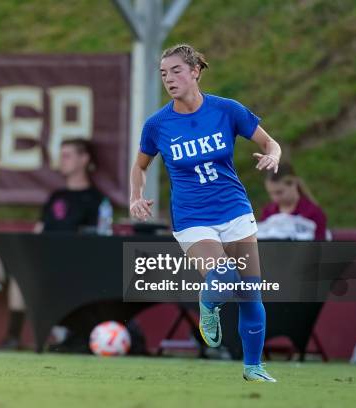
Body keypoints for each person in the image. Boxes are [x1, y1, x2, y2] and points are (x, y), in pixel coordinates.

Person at [130, 44, 281, 382]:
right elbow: (139, 166)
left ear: (195, 71)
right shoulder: (157, 124)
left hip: (235, 209)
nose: (169, 78)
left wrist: (273, 156)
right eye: (164, 73)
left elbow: (270, 143)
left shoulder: (227, 110)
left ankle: (253, 368)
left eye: (177, 70)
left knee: (250, 291)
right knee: (224, 276)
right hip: (192, 218)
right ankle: (209, 307)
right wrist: (135, 196)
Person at [0, 138, 104, 349]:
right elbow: (39, 229)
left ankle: (12, 337)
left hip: (56, 268)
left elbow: (94, 241)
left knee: (24, 269)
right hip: (33, 257)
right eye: (61, 155)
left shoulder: (95, 200)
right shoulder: (56, 196)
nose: (61, 161)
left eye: (67, 155)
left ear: (84, 159)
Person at [258, 162, 327, 241]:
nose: (275, 198)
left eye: (279, 192)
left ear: (293, 184)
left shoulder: (313, 212)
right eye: (271, 193)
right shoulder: (268, 212)